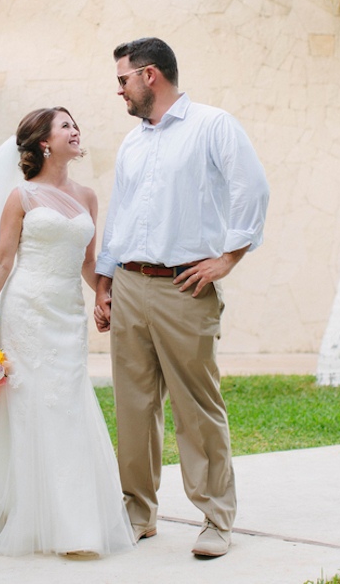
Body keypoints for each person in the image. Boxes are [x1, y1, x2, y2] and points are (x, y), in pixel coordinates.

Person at [0, 107, 134, 557]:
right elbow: (1, 261)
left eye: (76, 125)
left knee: (67, 404)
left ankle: (74, 521)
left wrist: (102, 295)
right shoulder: (21, 196)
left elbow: (90, 263)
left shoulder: (88, 197)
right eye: (66, 126)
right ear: (43, 143)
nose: (76, 131)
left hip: (67, 314)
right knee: (30, 406)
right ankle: (25, 513)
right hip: (27, 312)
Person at [94, 38, 269, 559]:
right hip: (128, 284)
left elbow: (252, 190)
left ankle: (216, 517)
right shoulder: (133, 142)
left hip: (184, 288)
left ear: (150, 75)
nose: (119, 91)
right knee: (133, 406)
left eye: (123, 80)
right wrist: (104, 284)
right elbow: (120, 214)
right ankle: (138, 512)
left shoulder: (213, 125)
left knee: (197, 408)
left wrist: (227, 259)